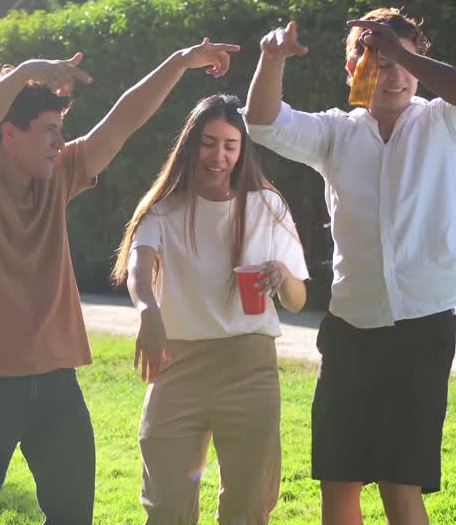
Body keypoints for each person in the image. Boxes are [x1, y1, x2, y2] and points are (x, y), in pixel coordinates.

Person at [244, 0, 456, 525]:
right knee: (339, 482)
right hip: (349, 327)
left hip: (422, 328)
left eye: (403, 60)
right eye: (378, 60)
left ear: (420, 66)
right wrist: (272, 58)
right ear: (354, 68)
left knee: (399, 483)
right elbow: (263, 122)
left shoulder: (450, 121)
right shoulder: (336, 133)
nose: (392, 74)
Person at [0, 37, 239, 524]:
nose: (60, 141)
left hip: (57, 383)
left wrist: (180, 61)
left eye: (62, 130)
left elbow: (123, 119)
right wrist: (26, 70)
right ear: (9, 134)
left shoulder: (57, 175)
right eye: (49, 130)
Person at [113, 93, 309, 524]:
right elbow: (137, 270)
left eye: (229, 145)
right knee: (166, 506)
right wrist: (148, 312)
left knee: (247, 507)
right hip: (178, 366)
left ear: (242, 151)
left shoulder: (267, 206)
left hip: (249, 365)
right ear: (190, 144)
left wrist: (282, 274)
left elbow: (298, 301)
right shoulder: (163, 210)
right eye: (208, 142)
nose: (217, 155)